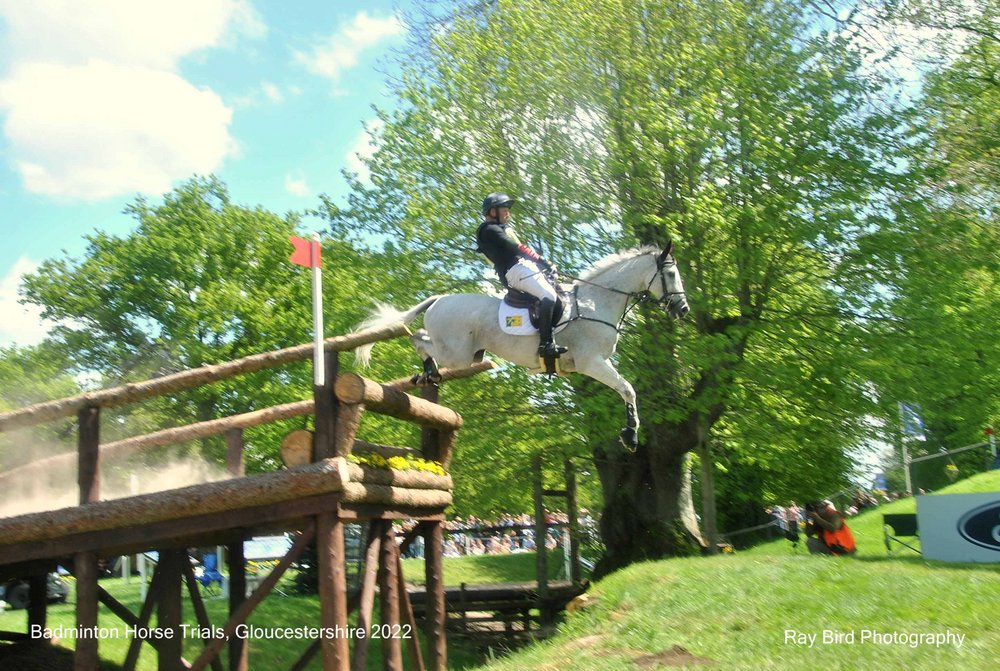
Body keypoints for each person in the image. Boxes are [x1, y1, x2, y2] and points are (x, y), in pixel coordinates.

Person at [476, 192, 566, 360]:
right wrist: (542, 261)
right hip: (515, 271)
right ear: (492, 211)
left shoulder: (498, 228)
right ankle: (545, 344)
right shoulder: (489, 230)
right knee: (548, 296)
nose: (507, 213)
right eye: (504, 209)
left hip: (522, 268)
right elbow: (516, 248)